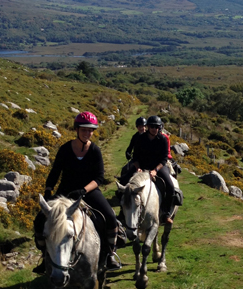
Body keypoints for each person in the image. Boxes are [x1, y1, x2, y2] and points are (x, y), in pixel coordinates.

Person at [34, 111, 121, 273]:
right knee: (40, 220)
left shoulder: (95, 151)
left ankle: (110, 254)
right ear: (77, 130)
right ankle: (45, 256)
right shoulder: (65, 149)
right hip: (65, 191)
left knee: (110, 216)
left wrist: (84, 190)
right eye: (84, 130)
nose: (87, 133)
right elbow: (55, 172)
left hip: (88, 191)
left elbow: (99, 178)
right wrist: (48, 189)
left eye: (90, 130)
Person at [131, 115, 175, 222]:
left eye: (157, 127)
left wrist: (156, 170)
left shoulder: (163, 139)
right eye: (152, 127)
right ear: (148, 127)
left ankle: (166, 213)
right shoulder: (141, 139)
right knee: (127, 184)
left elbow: (164, 158)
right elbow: (135, 156)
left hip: (158, 167)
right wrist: (138, 168)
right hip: (142, 167)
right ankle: (125, 212)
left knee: (170, 186)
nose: (155, 129)